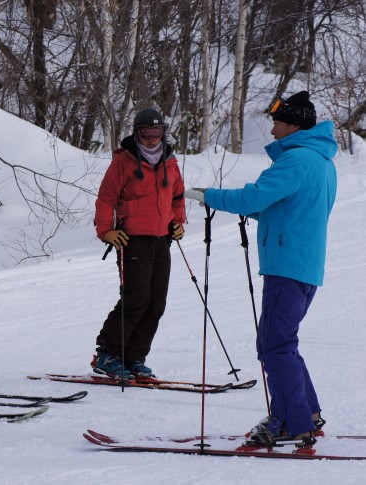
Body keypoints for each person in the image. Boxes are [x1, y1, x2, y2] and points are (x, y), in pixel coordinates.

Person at [185, 91, 336, 448]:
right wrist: (231, 204)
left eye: (277, 121)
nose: (272, 128)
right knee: (283, 343)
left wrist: (210, 196)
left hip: (288, 266)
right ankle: (306, 413)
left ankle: (292, 423)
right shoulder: (320, 161)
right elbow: (279, 209)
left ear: (294, 124)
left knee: (274, 347)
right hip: (301, 266)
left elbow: (254, 197)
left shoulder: (297, 160)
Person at [92, 107, 186, 381]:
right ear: (137, 133)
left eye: (156, 132)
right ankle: (107, 354)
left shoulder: (170, 162)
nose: (151, 138)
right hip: (132, 239)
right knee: (136, 299)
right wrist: (105, 230)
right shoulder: (123, 162)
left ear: (163, 133)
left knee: (156, 303)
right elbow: (106, 198)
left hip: (162, 239)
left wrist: (178, 222)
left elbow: (177, 197)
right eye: (146, 133)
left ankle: (134, 357)